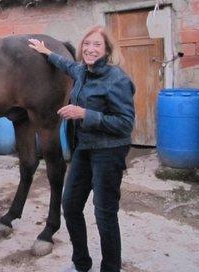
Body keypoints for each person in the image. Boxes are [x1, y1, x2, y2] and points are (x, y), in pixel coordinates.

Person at [28, 26, 135, 272]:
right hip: (84, 149)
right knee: (71, 205)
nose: (89, 49)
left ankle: (110, 268)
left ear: (107, 50)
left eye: (97, 45)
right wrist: (45, 52)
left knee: (105, 213)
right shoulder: (82, 71)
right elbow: (66, 65)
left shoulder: (117, 79)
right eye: (86, 44)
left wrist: (84, 113)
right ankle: (81, 264)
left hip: (109, 151)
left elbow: (126, 124)